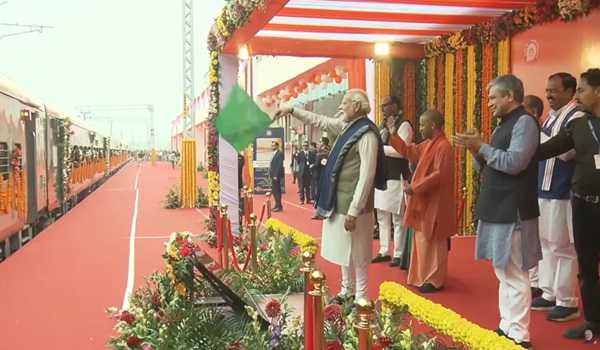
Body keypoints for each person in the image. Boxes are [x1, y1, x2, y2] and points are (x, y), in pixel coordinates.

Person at [273, 89, 387, 302]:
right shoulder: (348, 127)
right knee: (345, 251)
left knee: (360, 254)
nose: (341, 106)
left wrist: (354, 209)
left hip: (356, 206)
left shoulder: (367, 134)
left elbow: (367, 175)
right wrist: (291, 110)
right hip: (338, 201)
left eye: (345, 103)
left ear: (356, 106)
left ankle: (361, 298)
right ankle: (346, 291)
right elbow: (320, 121)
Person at [454, 74, 540, 349]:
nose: (489, 103)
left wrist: (481, 146)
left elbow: (514, 163)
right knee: (503, 272)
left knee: (514, 273)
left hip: (512, 208)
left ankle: (520, 336)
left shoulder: (525, 122)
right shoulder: (504, 125)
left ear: (510, 97)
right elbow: (490, 167)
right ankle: (507, 327)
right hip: (498, 205)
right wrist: (474, 150)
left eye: (493, 97)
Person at [539, 68, 600, 341]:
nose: (578, 96)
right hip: (582, 204)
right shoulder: (578, 124)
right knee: (586, 269)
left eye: (582, 90)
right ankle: (593, 323)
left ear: (597, 92)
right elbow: (548, 149)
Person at [531, 73, 584, 322]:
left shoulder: (577, 117)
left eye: (554, 90)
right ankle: (549, 292)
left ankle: (567, 301)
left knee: (563, 247)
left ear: (571, 91)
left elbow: (567, 153)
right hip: (544, 188)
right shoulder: (551, 117)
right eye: (547, 90)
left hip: (563, 191)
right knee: (545, 244)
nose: (549, 95)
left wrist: (535, 134)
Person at [388, 110, 454, 292]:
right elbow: (409, 151)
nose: (420, 128)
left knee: (434, 242)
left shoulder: (444, 147)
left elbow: (439, 175)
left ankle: (434, 280)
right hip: (424, 201)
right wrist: (393, 135)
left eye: (423, 124)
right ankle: (421, 276)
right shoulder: (429, 144)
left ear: (433, 125)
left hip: (436, 202)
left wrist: (414, 188)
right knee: (423, 240)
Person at [372, 96, 414, 267]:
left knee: (397, 217)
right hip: (383, 175)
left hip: (397, 175)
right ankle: (383, 250)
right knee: (382, 216)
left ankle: (398, 252)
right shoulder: (381, 126)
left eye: (386, 106)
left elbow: (402, 151)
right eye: (381, 106)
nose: (383, 109)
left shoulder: (404, 125)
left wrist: (380, 149)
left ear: (395, 106)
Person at [523, 94, 545, 299]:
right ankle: (533, 281)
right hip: (534, 188)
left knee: (539, 239)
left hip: (545, 190)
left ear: (534, 112)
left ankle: (536, 283)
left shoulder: (538, 130)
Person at [269, 141, 284, 212]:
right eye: (272, 146)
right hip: (273, 175)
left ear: (277, 146)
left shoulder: (280, 153)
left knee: (277, 191)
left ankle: (279, 206)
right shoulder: (274, 153)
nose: (272, 147)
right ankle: (277, 205)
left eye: (274, 146)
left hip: (276, 176)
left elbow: (279, 165)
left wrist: (275, 175)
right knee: (274, 191)